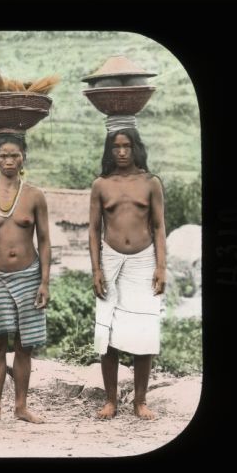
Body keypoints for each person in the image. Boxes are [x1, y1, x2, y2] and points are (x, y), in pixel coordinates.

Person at [0, 133, 51, 424]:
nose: (9, 160)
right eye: (3, 155)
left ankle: (21, 406)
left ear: (23, 158)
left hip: (29, 275)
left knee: (25, 344)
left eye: (14, 155)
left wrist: (44, 281)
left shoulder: (35, 195)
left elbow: (44, 240)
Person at [88, 128, 167, 420]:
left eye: (126, 146)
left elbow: (159, 227)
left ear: (136, 149)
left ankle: (140, 401)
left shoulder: (150, 183)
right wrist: (96, 269)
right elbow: (94, 229)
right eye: (116, 147)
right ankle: (110, 400)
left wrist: (161, 266)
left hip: (144, 262)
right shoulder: (101, 185)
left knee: (143, 331)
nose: (121, 152)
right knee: (107, 332)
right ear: (109, 151)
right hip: (109, 261)